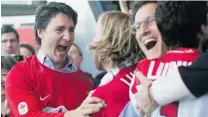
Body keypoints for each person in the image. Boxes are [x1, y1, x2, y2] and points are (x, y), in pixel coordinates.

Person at [5, 2, 105, 117]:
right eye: (59, 29)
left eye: (71, 30)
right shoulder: (20, 73)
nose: (68, 37)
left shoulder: (84, 81)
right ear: (40, 32)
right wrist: (72, 115)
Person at [132, 1, 208, 117]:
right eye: (137, 27)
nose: (143, 31)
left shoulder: (141, 74)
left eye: (152, 20)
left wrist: (152, 93)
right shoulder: (140, 75)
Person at [88, 11, 141, 117]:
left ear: (107, 43)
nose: (93, 41)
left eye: (96, 35)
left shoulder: (100, 97)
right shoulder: (148, 71)